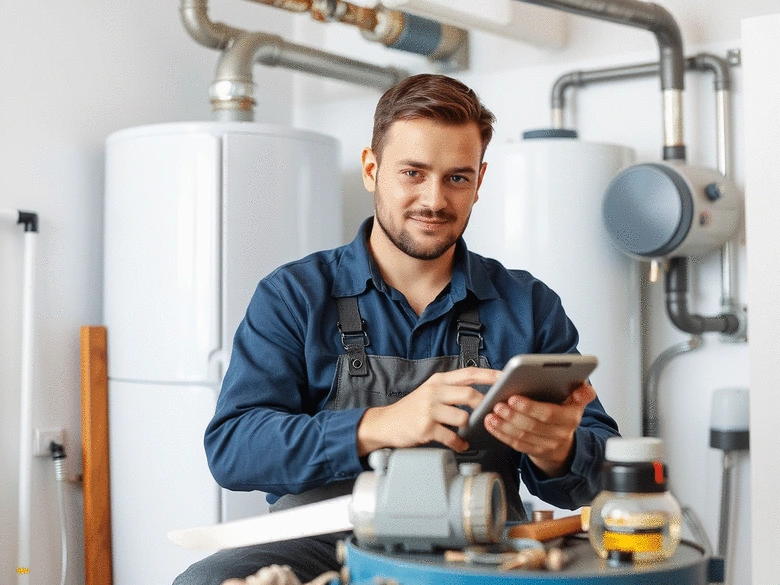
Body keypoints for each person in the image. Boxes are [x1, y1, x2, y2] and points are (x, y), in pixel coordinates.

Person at [174, 73, 619, 585]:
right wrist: (379, 425)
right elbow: (233, 448)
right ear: (372, 168)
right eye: (413, 172)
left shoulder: (528, 305)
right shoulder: (293, 295)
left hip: (480, 549)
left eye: (457, 177)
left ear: (479, 180)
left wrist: (557, 450)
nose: (434, 200)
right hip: (320, 548)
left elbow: (603, 471)